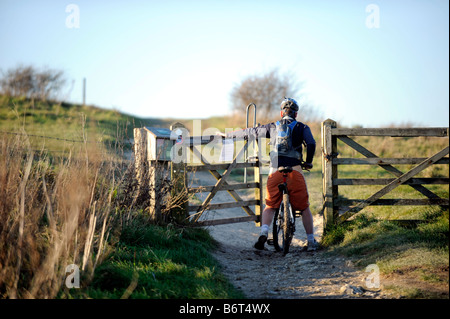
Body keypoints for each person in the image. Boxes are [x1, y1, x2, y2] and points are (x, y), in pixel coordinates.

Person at [219, 97, 318, 251]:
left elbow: (250, 132)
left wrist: (228, 135)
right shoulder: (302, 127)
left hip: (275, 172)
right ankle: (311, 241)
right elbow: (311, 144)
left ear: (281, 113)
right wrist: (309, 161)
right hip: (295, 172)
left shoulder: (272, 126)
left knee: (271, 205)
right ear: (296, 114)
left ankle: (264, 232)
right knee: (304, 208)